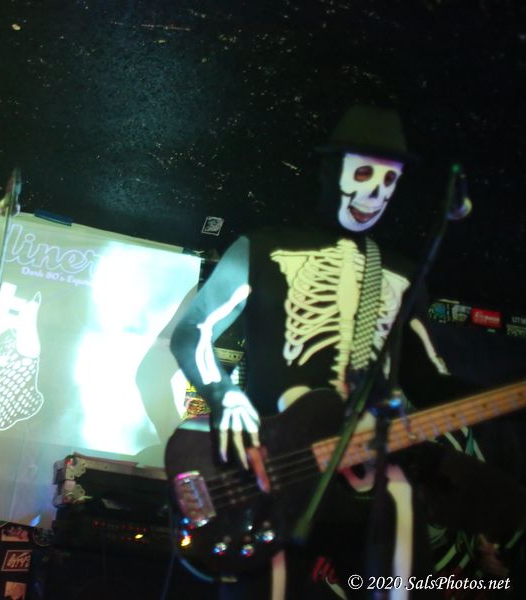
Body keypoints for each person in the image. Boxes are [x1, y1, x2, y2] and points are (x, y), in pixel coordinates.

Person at [170, 106, 477, 599]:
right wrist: (224, 395)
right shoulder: (263, 248)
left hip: (364, 474)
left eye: (389, 180)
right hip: (270, 467)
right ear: (332, 171)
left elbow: (429, 381)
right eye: (363, 174)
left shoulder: (401, 276)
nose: (375, 193)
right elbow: (193, 331)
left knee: (400, 505)